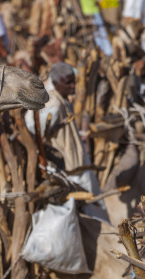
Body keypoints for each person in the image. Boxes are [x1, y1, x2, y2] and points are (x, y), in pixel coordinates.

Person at [25, 63, 108, 221]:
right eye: (68, 83)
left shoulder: (59, 99)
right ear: (56, 84)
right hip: (70, 171)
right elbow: (32, 127)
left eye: (74, 82)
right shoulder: (53, 105)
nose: (73, 86)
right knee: (90, 213)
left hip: (78, 166)